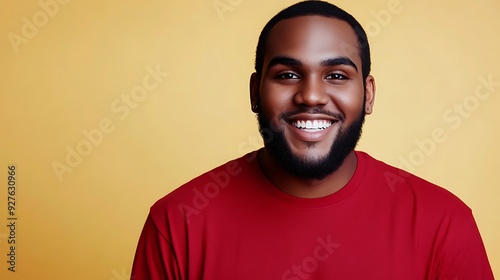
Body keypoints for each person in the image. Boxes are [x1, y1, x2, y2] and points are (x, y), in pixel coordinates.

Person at [131, 1, 494, 279]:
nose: (311, 96)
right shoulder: (178, 224)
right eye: (288, 74)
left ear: (368, 94)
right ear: (256, 91)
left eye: (336, 75)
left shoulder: (444, 223)